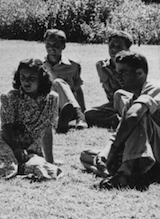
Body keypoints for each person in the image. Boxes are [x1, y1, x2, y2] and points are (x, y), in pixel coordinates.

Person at [81, 51, 160, 190]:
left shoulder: (154, 86)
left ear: (139, 73)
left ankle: (124, 173)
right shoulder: (131, 100)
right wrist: (106, 154)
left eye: (123, 72)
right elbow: (118, 134)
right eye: (117, 72)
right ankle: (137, 171)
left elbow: (133, 117)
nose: (118, 77)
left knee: (137, 116)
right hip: (148, 151)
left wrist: (115, 150)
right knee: (87, 156)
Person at [85, 31, 132, 129]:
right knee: (88, 113)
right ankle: (118, 121)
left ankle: (129, 120)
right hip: (112, 105)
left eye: (119, 47)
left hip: (129, 102)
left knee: (120, 95)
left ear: (128, 49)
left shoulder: (133, 66)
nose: (114, 49)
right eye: (111, 46)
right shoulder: (101, 66)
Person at [42, 29, 88, 133]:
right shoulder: (40, 66)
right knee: (56, 83)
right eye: (48, 45)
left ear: (63, 46)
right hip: (47, 106)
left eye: (56, 45)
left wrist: (84, 111)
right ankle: (69, 118)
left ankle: (75, 115)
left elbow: (78, 90)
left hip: (67, 106)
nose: (51, 48)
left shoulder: (73, 66)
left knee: (58, 82)